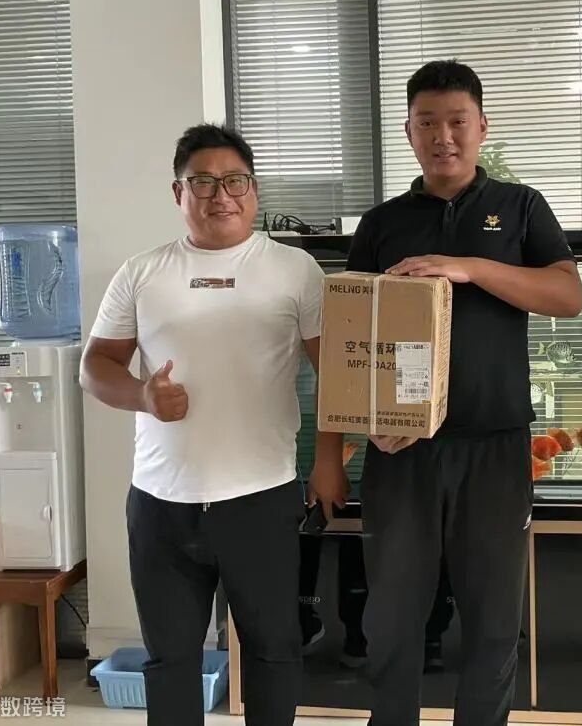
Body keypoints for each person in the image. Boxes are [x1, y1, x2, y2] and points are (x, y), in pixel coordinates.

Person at [80, 124, 348, 726]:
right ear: (179, 193)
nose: (220, 195)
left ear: (253, 190)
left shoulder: (295, 269)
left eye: (234, 181)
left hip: (260, 497)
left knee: (274, 651)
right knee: (170, 659)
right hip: (160, 502)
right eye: (202, 182)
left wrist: (328, 458)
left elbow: (335, 371)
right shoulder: (142, 272)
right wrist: (143, 396)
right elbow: (94, 368)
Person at [345, 59, 582, 726]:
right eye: (427, 123)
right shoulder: (383, 223)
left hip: (495, 446)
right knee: (392, 618)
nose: (442, 136)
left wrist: (470, 268)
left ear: (481, 127)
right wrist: (366, 421)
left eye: (456, 121)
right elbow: (352, 332)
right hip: (401, 450)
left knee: (493, 619)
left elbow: (567, 295)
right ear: (408, 131)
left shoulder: (521, 206)